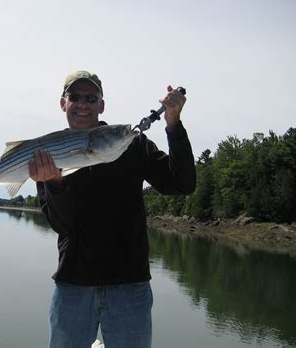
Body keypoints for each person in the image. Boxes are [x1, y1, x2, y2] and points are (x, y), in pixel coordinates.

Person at [29, 71, 196, 348]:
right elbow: (63, 224)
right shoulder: (49, 154)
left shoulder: (132, 143)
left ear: (101, 105)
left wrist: (173, 125)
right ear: (63, 103)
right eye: (75, 97)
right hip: (73, 286)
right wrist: (55, 181)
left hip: (130, 288)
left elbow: (182, 183)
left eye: (91, 98)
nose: (83, 104)